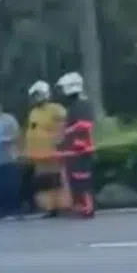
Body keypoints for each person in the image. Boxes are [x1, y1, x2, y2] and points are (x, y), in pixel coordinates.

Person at [24, 80, 70, 217]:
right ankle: (50, 208)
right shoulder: (33, 112)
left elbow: (62, 128)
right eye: (34, 96)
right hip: (38, 154)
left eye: (38, 95)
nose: (36, 99)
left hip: (53, 152)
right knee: (44, 182)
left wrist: (60, 143)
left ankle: (63, 206)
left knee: (57, 180)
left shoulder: (56, 109)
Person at [55, 71, 96, 218]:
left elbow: (84, 124)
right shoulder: (75, 105)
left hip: (81, 147)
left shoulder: (82, 105)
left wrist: (67, 131)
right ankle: (80, 205)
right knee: (75, 178)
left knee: (82, 178)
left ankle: (88, 207)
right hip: (73, 148)